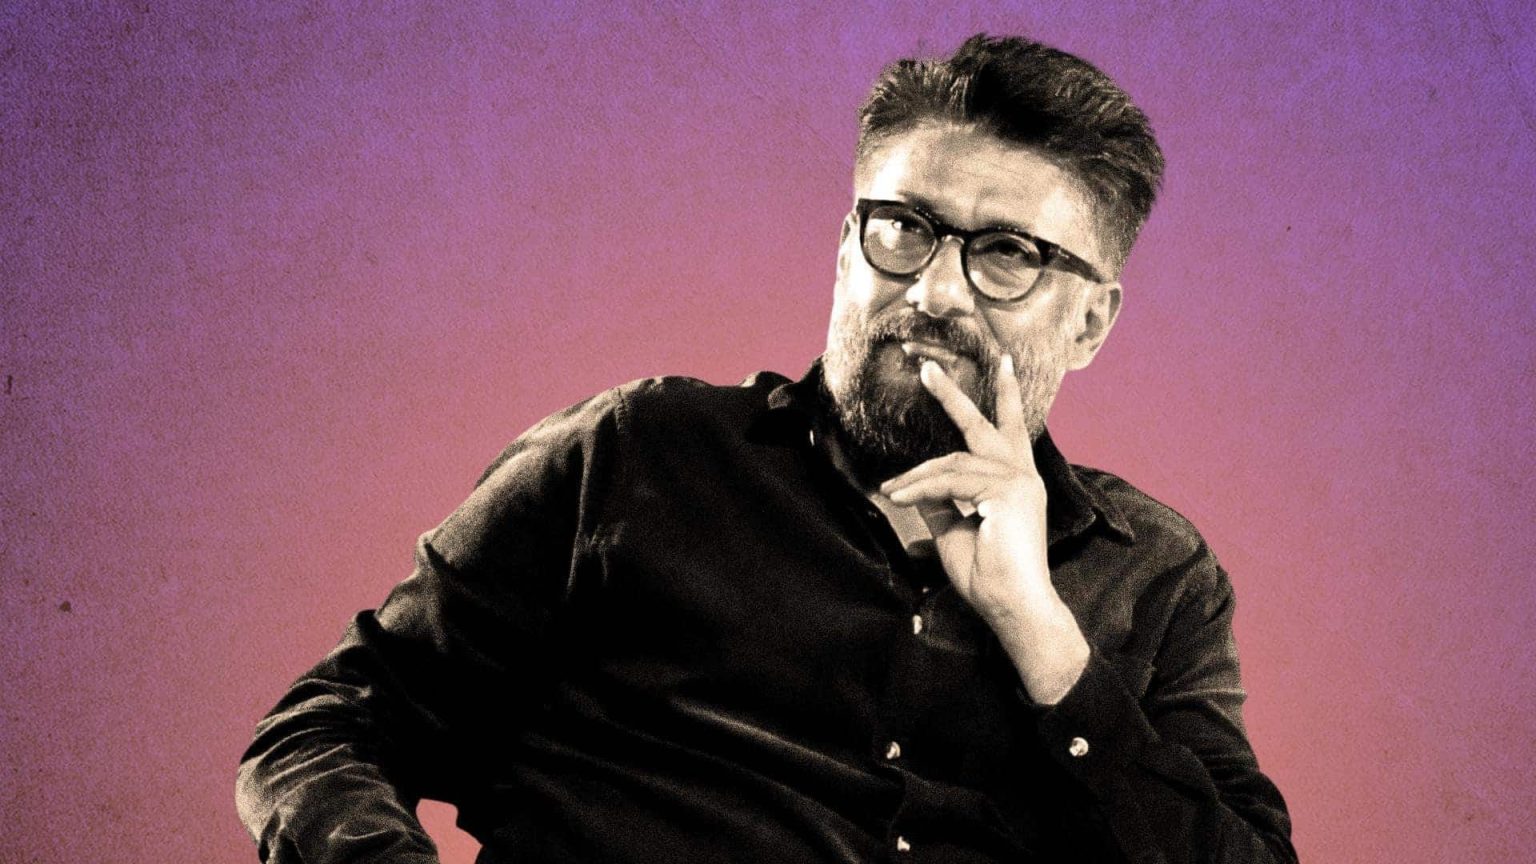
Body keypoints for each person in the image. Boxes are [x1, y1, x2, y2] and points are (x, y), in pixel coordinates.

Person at [236, 34, 1297, 863]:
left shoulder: (1155, 578)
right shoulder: (636, 457)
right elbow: (326, 729)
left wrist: (1041, 632)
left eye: (1007, 253)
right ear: (845, 249)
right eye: (903, 228)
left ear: (1092, 321)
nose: (933, 290)